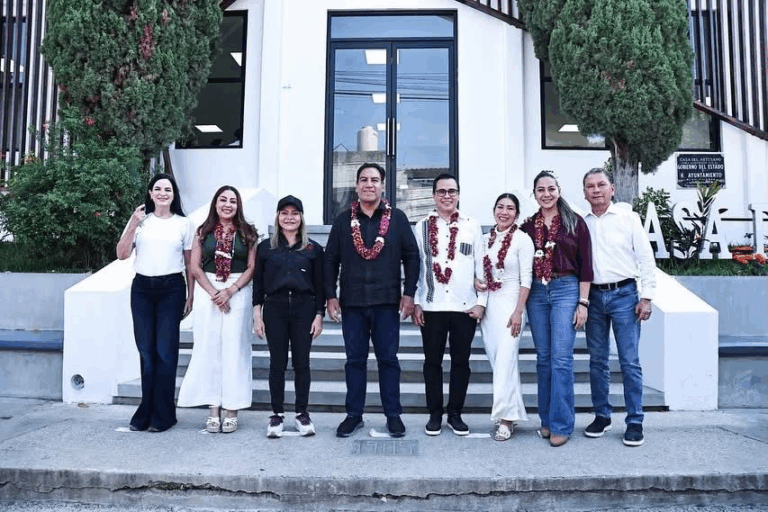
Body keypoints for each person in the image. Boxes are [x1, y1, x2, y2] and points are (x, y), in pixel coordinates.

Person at [325, 163, 420, 438]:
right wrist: (331, 295)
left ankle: (393, 415)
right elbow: (331, 259)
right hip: (352, 304)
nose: (369, 184)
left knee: (388, 360)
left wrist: (409, 293)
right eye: (364, 179)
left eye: (375, 180)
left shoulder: (398, 219)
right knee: (355, 361)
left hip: (387, 303)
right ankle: (354, 415)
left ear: (382, 186)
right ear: (356, 186)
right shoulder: (343, 221)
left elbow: (412, 257)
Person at [582, 168, 656, 447]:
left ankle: (635, 420)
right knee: (598, 361)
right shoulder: (581, 222)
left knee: (629, 361)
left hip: (625, 295)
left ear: (612, 189)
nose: (597, 190)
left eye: (602, 185)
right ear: (585, 192)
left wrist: (646, 297)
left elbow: (646, 258)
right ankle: (602, 415)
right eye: (591, 186)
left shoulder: (628, 218)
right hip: (594, 297)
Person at [116, 173, 195, 433]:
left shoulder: (184, 224)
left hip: (171, 289)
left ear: (174, 195)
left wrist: (190, 295)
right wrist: (132, 224)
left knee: (165, 351)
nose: (163, 193)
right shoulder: (140, 220)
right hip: (142, 289)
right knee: (146, 352)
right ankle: (145, 410)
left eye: (168, 189)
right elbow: (122, 254)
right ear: (150, 193)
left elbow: (189, 263)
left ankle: (164, 414)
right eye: (158, 188)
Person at [176, 186, 258, 434]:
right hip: (208, 291)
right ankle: (214, 408)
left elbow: (252, 267)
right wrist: (214, 293)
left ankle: (232, 409)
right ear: (215, 203)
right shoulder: (203, 232)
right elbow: (195, 266)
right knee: (209, 347)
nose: (228, 204)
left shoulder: (248, 233)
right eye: (223, 199)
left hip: (238, 292)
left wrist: (230, 291)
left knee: (236, 348)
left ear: (238, 206)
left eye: (233, 201)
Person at [520, 170, 593, 447]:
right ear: (535, 194)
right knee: (543, 359)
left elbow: (587, 265)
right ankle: (547, 421)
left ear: (559, 191)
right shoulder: (528, 227)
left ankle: (563, 423)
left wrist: (583, 302)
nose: (546, 194)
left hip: (566, 289)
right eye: (541, 189)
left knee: (561, 359)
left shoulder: (575, 223)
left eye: (551, 188)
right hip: (537, 292)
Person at [413, 174, 485, 436]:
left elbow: (482, 267)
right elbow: (417, 268)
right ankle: (434, 414)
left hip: (464, 307)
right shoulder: (421, 226)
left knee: (461, 362)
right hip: (432, 307)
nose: (447, 196)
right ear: (433, 196)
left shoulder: (471, 226)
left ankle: (455, 413)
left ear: (458, 194)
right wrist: (417, 302)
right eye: (441, 191)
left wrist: (482, 303)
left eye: (452, 191)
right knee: (431, 363)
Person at [252, 195, 325, 438]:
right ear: (278, 217)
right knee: (277, 363)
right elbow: (258, 284)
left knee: (302, 363)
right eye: (285, 213)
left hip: (305, 309)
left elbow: (321, 285)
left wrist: (319, 315)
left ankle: (302, 413)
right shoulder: (265, 247)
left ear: (302, 217)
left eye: (295, 213)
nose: (290, 217)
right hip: (275, 309)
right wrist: (257, 314)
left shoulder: (313, 249)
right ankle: (277, 414)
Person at [475, 193, 535, 441]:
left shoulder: (522, 240)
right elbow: (477, 270)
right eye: (500, 206)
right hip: (489, 306)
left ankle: (506, 420)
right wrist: (476, 282)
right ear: (494, 210)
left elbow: (527, 278)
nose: (504, 212)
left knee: (506, 361)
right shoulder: (485, 239)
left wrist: (519, 311)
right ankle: (511, 412)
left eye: (510, 208)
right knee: (498, 361)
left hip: (511, 305)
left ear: (517, 214)